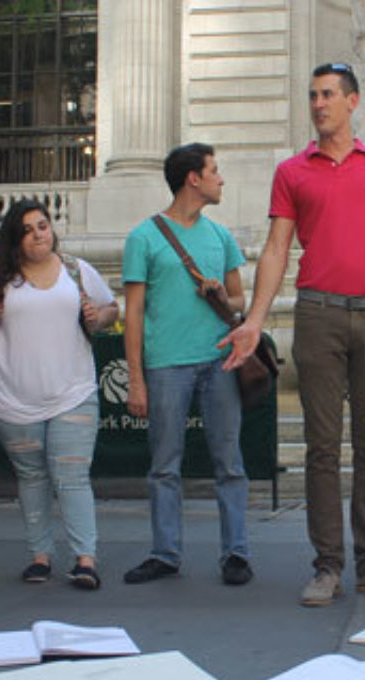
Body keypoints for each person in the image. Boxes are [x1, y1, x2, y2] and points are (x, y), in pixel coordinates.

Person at [220, 26, 365, 607]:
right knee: (323, 448)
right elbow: (277, 249)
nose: (319, 104)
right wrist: (254, 318)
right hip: (318, 315)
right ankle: (327, 566)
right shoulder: (293, 171)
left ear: (353, 101)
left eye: (329, 94)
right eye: (313, 95)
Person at [0, 200, 118, 590]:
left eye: (42, 225)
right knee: (31, 476)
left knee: (72, 475)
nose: (39, 234)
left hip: (73, 390)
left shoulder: (76, 270)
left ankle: (85, 559)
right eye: (27, 229)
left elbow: (111, 309)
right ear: (14, 239)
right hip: (10, 396)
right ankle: (40, 556)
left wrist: (100, 317)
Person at [120, 143, 255, 587]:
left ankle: (236, 552)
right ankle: (165, 554)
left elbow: (240, 302)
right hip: (165, 366)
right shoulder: (143, 237)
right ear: (192, 179)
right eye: (214, 170)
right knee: (164, 465)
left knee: (229, 462)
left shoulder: (221, 237)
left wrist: (221, 294)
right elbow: (133, 312)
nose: (221, 179)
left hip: (220, 362)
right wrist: (134, 379)